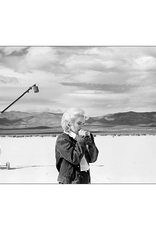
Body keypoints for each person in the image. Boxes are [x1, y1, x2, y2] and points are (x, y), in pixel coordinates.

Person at [55, 108, 99, 184]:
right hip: (70, 180)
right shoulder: (63, 139)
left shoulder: (81, 138)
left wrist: (91, 144)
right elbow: (74, 159)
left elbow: (92, 159)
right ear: (69, 124)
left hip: (84, 177)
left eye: (83, 123)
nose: (82, 126)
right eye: (79, 123)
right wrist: (81, 141)